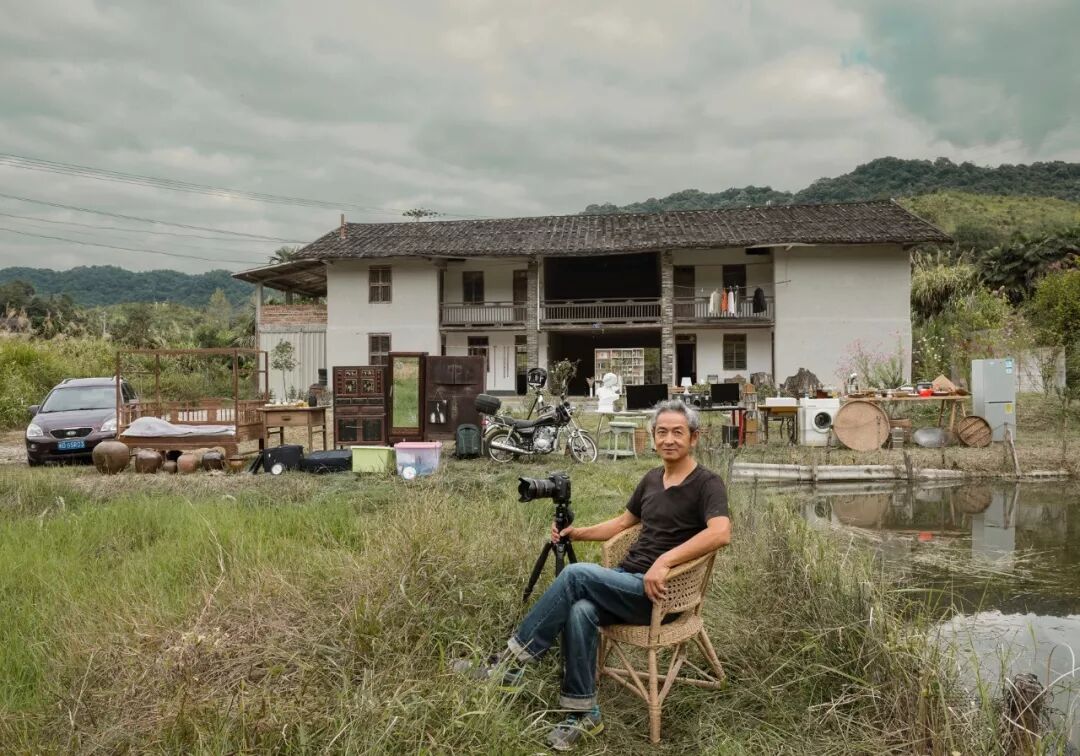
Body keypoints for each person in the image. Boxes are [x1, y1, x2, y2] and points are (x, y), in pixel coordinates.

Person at [455, 399, 731, 750]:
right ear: (653, 437)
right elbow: (622, 523)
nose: (669, 439)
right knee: (580, 610)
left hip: (663, 595)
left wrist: (665, 562)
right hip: (627, 583)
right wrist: (577, 533)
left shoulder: (707, 483)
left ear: (694, 437)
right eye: (662, 432)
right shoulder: (651, 479)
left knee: (576, 576)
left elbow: (720, 533)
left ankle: (510, 665)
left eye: (678, 432)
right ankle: (584, 713)